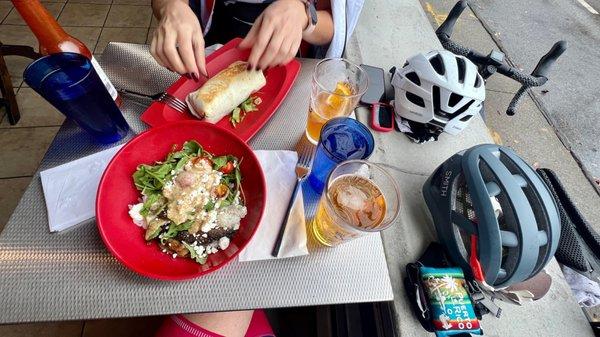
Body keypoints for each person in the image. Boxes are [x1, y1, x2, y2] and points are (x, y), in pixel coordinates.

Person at [149, 0, 364, 79]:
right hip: (213, 43)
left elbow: (336, 21)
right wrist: (171, 6)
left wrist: (305, 16)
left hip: (289, 57)